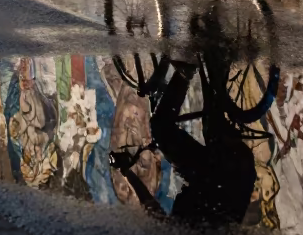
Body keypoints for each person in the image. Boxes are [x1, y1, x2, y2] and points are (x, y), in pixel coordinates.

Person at [110, 61, 257, 225]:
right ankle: (185, 72)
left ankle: (219, 65)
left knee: (213, 126)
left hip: (241, 172)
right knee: (161, 128)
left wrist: (126, 172)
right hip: (215, 173)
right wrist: (125, 170)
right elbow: (151, 207)